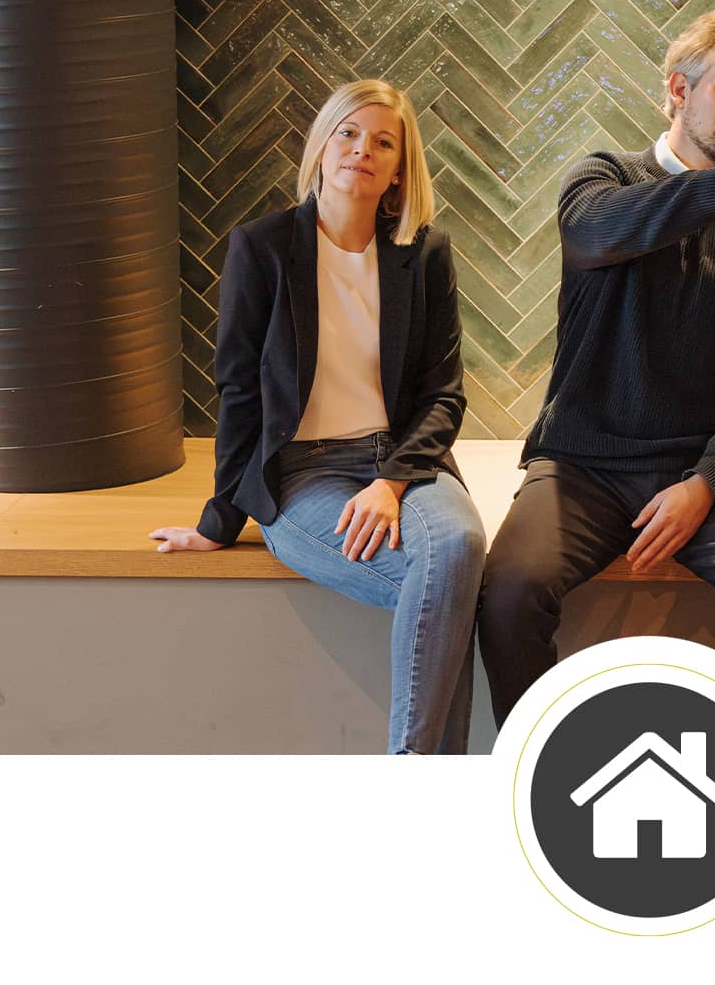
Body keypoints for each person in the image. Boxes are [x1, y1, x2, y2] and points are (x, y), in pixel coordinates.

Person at [476, 7, 715, 725]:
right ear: (677, 89)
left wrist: (707, 483)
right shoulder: (603, 178)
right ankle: (539, 768)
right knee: (508, 595)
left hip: (705, 473)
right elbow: (599, 232)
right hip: (582, 466)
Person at [149, 79, 484, 755]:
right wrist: (220, 520)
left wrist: (391, 481)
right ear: (322, 147)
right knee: (451, 587)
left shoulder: (424, 253)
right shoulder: (264, 247)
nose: (363, 150)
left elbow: (443, 394)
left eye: (383, 142)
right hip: (303, 475)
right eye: (348, 133)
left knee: (458, 547)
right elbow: (239, 390)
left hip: (403, 465)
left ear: (399, 169)